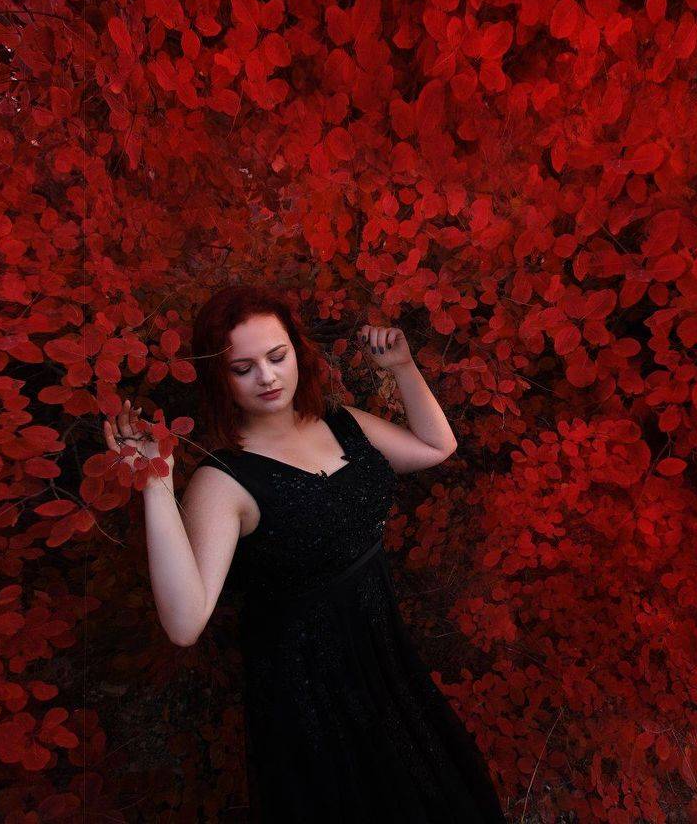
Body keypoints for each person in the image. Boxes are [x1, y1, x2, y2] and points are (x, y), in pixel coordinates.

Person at [102, 284, 507, 822]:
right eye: (243, 368)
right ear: (220, 378)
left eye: (277, 356)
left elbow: (438, 447)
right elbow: (183, 623)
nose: (267, 377)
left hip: (383, 657)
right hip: (311, 690)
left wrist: (404, 368)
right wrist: (156, 481)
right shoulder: (223, 480)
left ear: (298, 351)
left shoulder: (344, 423)